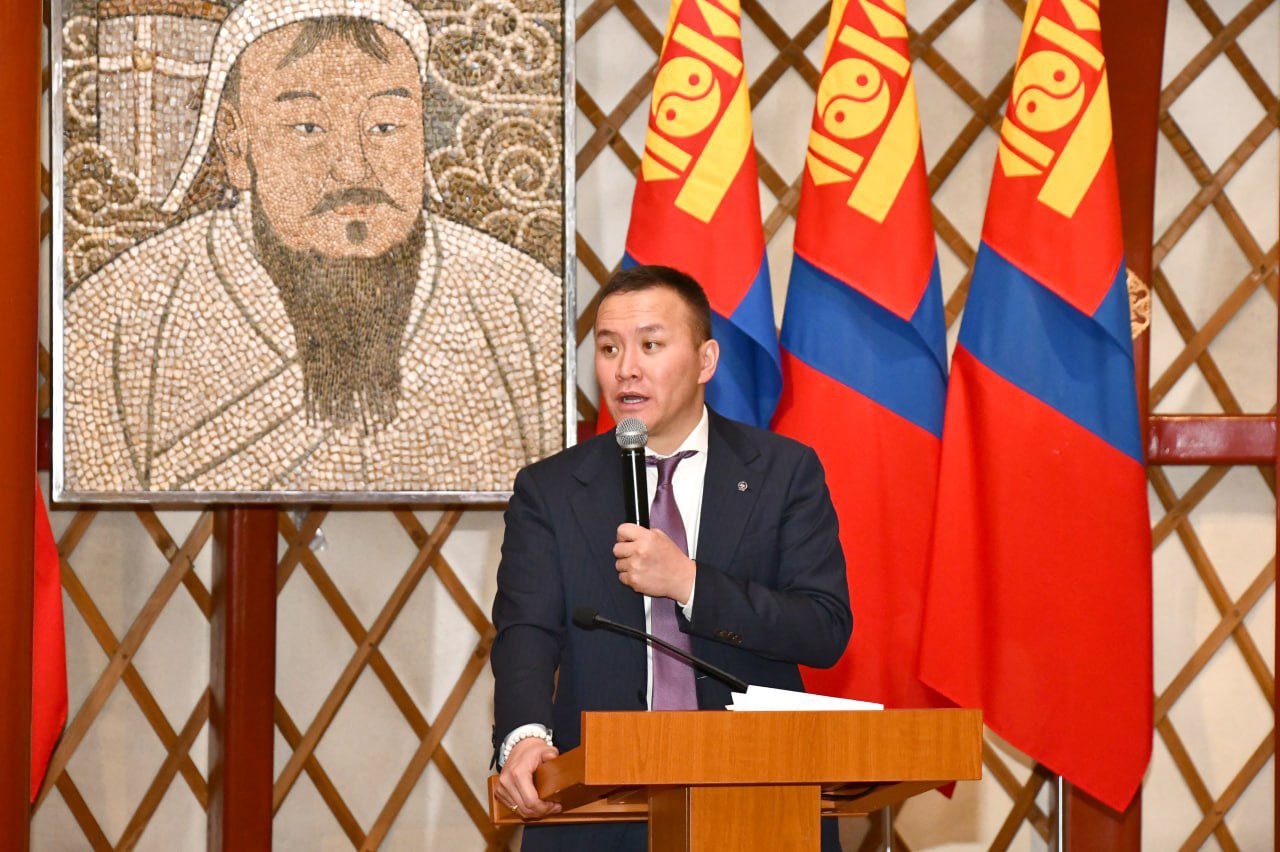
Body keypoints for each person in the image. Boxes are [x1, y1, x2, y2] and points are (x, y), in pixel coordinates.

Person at [62, 0, 562, 494]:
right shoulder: (115, 319)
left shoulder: (525, 306)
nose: (352, 168)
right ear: (236, 143)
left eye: (385, 126)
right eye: (307, 127)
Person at [490, 264, 852, 851]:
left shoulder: (784, 472)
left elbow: (823, 629)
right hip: (598, 803)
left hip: (756, 800)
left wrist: (689, 583)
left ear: (706, 361)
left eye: (651, 345)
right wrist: (525, 735)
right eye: (609, 348)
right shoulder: (550, 490)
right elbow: (525, 631)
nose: (625, 368)